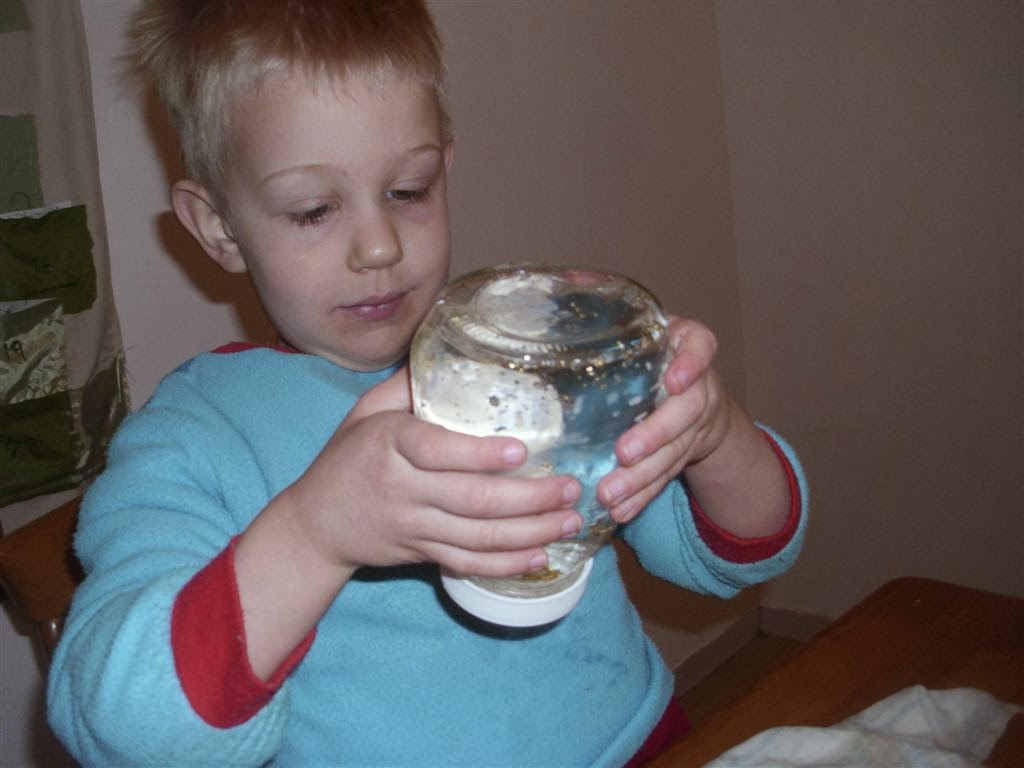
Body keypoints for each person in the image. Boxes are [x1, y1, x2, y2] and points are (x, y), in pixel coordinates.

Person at [47, 1, 807, 765]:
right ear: (217, 227)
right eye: (312, 211)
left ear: (446, 168)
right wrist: (316, 532)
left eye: (408, 191)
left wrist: (711, 432)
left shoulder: (532, 360)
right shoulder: (194, 438)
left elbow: (742, 554)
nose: (378, 246)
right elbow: (123, 727)